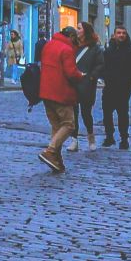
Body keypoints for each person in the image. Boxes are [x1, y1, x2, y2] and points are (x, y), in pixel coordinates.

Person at [36, 26, 85, 173]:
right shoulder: (67, 49)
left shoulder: (49, 45)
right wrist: (81, 75)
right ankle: (50, 151)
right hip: (61, 92)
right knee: (69, 125)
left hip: (45, 91)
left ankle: (56, 161)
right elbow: (71, 73)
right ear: (71, 37)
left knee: (57, 127)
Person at [100, 28, 131, 149]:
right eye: (119, 33)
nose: (121, 35)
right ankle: (109, 137)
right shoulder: (108, 51)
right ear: (114, 35)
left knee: (123, 114)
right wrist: (105, 77)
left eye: (124, 33)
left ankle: (124, 138)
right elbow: (102, 66)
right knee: (107, 113)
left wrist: (127, 78)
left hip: (124, 88)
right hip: (109, 87)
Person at [72, 28, 103, 151]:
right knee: (73, 114)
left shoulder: (95, 49)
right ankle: (74, 140)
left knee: (86, 113)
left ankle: (91, 137)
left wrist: (91, 76)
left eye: (79, 28)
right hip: (73, 83)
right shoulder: (73, 46)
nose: (77, 30)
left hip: (87, 85)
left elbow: (100, 64)